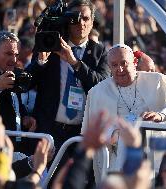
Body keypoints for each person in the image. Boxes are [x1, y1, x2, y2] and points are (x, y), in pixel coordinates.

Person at [82, 44, 166, 182]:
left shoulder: (158, 80)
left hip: (158, 155)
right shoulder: (97, 92)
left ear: (134, 62)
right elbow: (90, 132)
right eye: (114, 65)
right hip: (118, 158)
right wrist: (112, 135)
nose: (119, 69)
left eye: (124, 63)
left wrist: (161, 115)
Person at [27, 0, 110, 150]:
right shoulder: (50, 45)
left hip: (82, 133)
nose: (81, 24)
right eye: (76, 18)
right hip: (49, 130)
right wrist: (40, 61)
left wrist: (74, 62)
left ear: (92, 22)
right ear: (67, 21)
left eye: (85, 19)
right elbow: (29, 82)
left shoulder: (100, 52)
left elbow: (102, 85)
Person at [0, 31, 36, 153]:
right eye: (9, 54)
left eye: (16, 54)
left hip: (15, 144)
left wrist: (24, 116)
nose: (14, 59)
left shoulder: (14, 71)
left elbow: (15, 101)